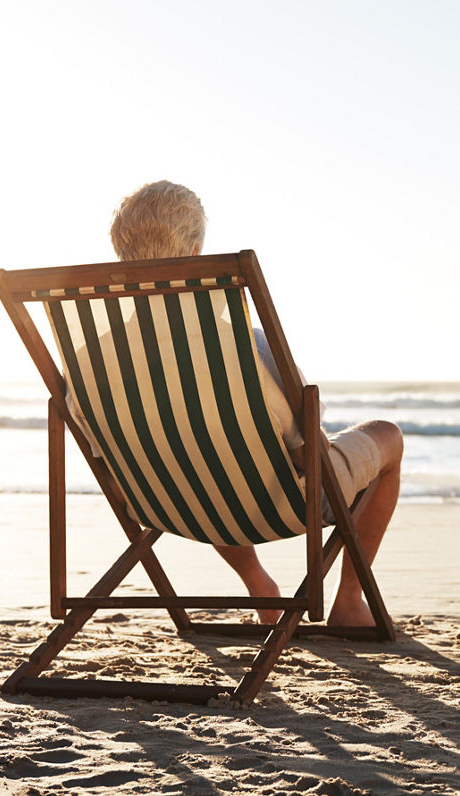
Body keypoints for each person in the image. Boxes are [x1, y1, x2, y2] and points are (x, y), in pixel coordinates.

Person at [106, 180, 403, 628]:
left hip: (168, 504)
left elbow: (102, 449)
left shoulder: (92, 358)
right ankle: (347, 602)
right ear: (196, 249)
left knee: (201, 464)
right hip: (271, 505)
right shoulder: (247, 349)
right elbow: (307, 453)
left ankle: (260, 586)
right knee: (388, 438)